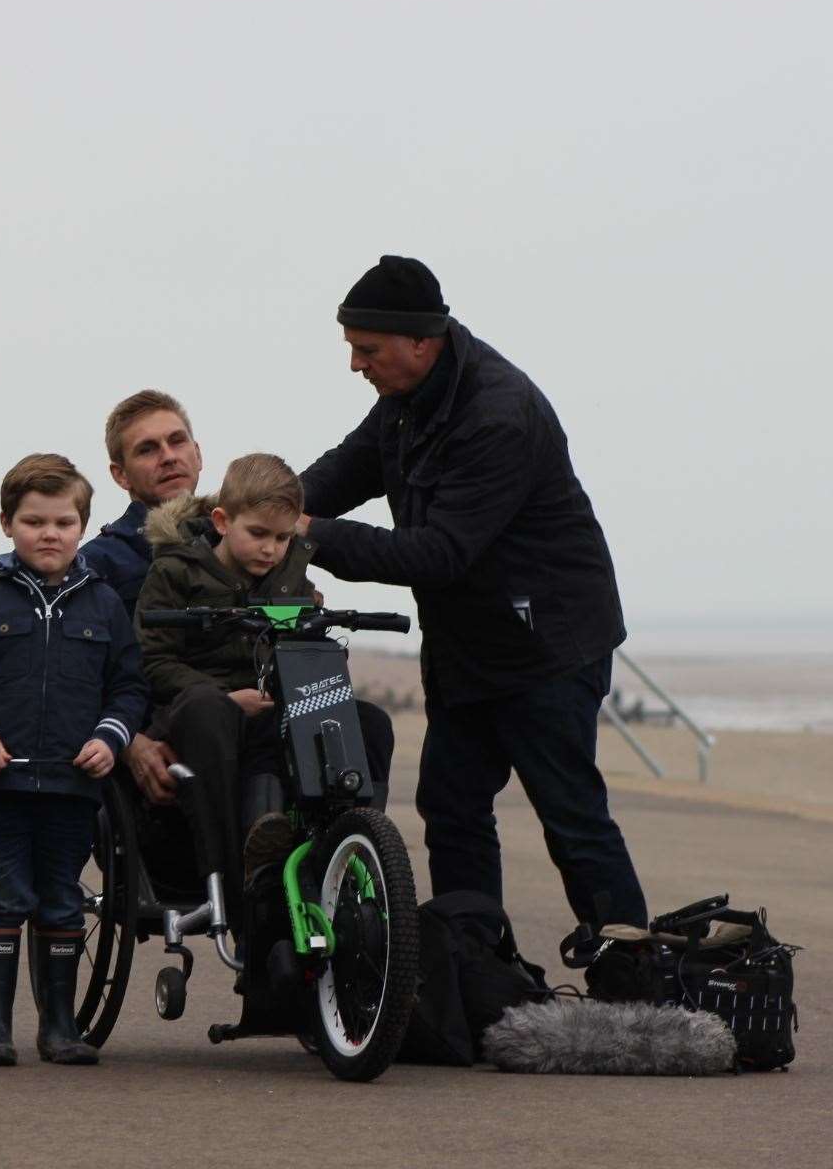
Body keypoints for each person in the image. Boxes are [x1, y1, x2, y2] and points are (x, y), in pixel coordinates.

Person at [298, 254, 645, 927]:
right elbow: (347, 468)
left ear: (420, 343)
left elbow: (440, 553)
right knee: (451, 806)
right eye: (351, 349)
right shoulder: (404, 398)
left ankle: (633, 980)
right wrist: (264, 506)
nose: (355, 365)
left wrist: (306, 532)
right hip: (470, 646)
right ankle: (476, 969)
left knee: (570, 815)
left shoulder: (497, 413)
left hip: (547, 645)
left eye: (366, 350)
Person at [0, 454, 146, 1067]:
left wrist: (110, 738)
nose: (48, 534)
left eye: (62, 521)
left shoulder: (104, 605)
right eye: (33, 521)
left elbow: (129, 687)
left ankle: (59, 1028)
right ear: (7, 524)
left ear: (82, 526)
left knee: (60, 900)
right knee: (1, 899)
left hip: (73, 787)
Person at [136, 454, 396, 883]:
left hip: (276, 710)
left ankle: (353, 845)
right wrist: (225, 698)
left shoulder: (294, 577)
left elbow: (311, 651)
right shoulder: (176, 572)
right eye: (257, 533)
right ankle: (231, 871)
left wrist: (319, 645)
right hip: (201, 715)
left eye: (282, 537)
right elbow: (155, 660)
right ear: (222, 521)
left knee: (370, 721)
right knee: (208, 709)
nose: (270, 549)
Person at [78, 390, 203, 807]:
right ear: (121, 475)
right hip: (156, 740)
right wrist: (129, 742)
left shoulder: (245, 543)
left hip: (248, 721)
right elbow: (77, 671)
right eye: (148, 449)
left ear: (198, 453)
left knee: (369, 724)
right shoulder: (98, 564)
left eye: (177, 441)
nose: (168, 456)